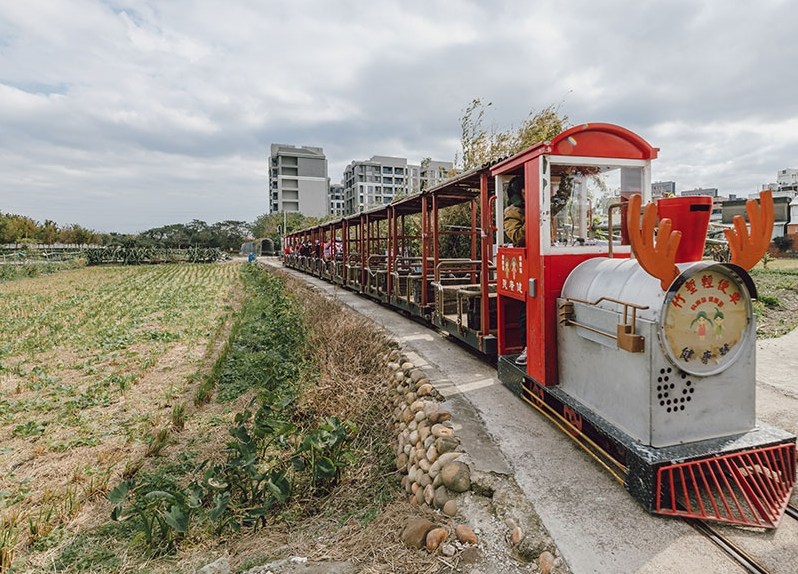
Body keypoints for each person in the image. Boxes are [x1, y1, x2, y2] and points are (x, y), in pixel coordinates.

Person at [503, 176, 527, 365]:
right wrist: (535, 211)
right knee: (527, 308)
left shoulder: (543, 204)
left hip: (546, 257)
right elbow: (518, 237)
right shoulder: (512, 212)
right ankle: (527, 346)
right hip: (527, 264)